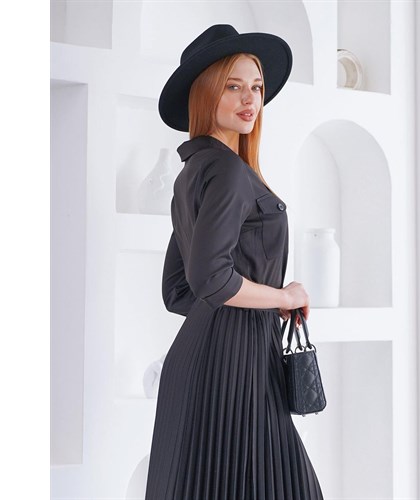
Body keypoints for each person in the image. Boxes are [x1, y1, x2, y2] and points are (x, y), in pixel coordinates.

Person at [144, 24, 324, 499]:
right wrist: (281, 296)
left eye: (257, 87)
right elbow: (212, 279)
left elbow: (178, 291)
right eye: (233, 86)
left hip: (210, 364)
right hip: (234, 370)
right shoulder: (227, 171)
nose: (250, 99)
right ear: (206, 94)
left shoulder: (192, 173)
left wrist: (253, 302)